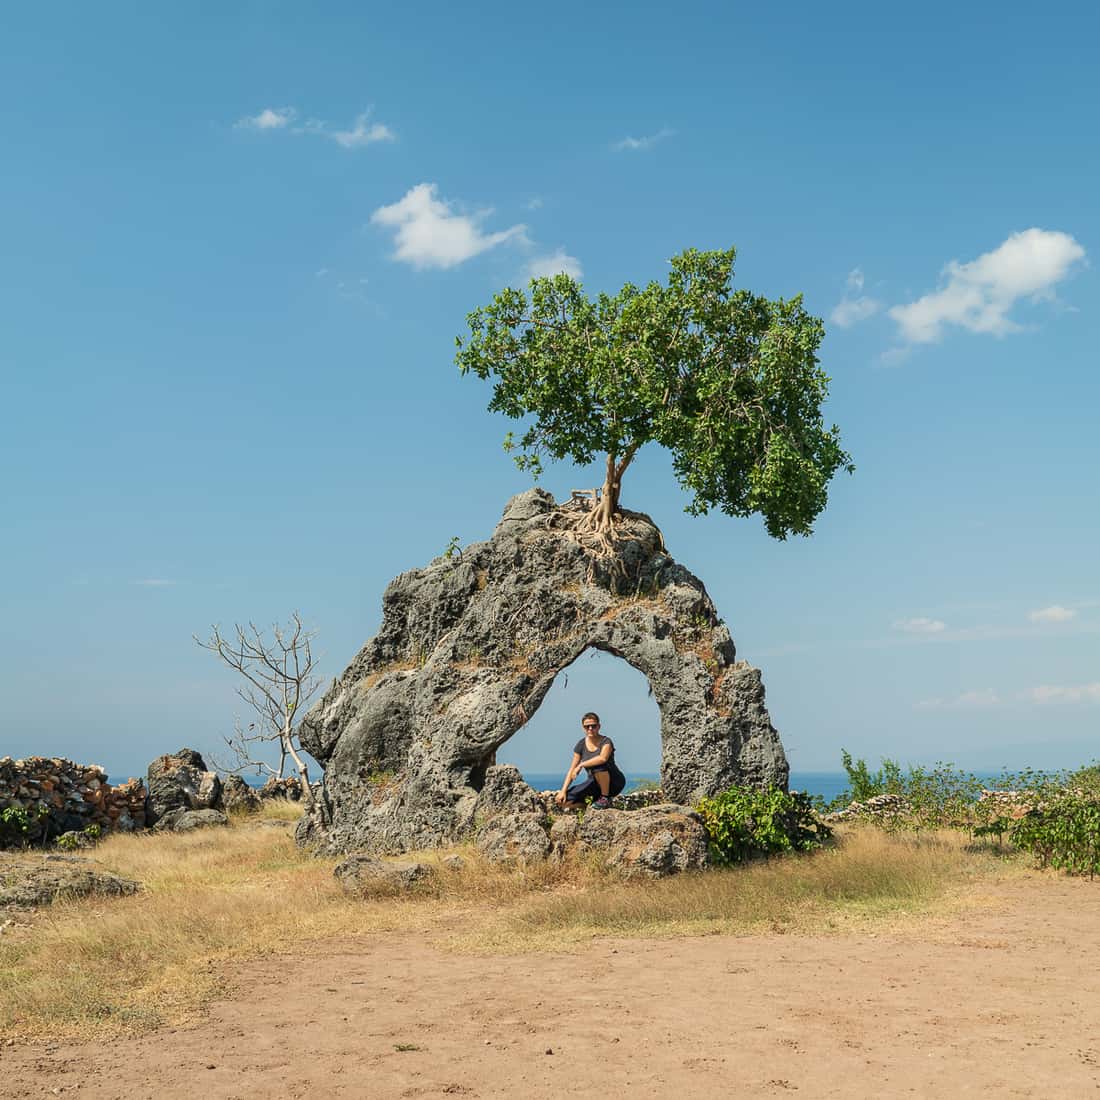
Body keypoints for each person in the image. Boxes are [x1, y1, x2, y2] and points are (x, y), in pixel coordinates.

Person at [554, 712, 626, 811]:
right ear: (583, 728)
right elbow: (572, 769)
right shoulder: (581, 745)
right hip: (594, 784)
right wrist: (563, 790)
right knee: (564, 800)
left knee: (598, 766)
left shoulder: (606, 741)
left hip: (614, 782)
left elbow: (602, 758)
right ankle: (592, 806)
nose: (590, 729)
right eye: (587, 726)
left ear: (599, 726)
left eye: (593, 726)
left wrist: (581, 765)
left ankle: (605, 798)